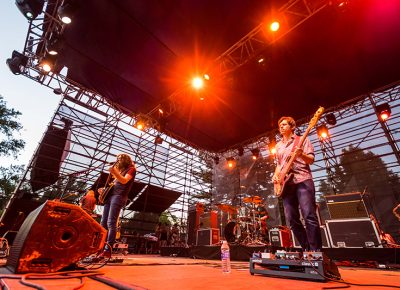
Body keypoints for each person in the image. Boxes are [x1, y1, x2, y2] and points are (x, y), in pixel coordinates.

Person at [272, 116, 322, 251]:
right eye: (280, 125)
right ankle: (307, 250)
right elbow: (279, 164)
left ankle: (316, 252)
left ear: (292, 127)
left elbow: (311, 160)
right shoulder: (278, 146)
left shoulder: (302, 140)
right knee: (292, 219)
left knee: (309, 215)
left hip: (303, 180)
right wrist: (276, 176)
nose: (281, 127)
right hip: (286, 185)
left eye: (284, 124)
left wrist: (301, 155)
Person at [98, 153, 136, 257]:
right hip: (111, 197)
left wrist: (114, 171)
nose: (117, 161)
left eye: (119, 159)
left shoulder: (131, 169)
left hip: (118, 196)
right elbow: (115, 185)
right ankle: (100, 248)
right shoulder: (119, 172)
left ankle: (107, 250)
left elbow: (124, 181)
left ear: (125, 160)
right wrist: (104, 191)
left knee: (111, 222)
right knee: (103, 223)